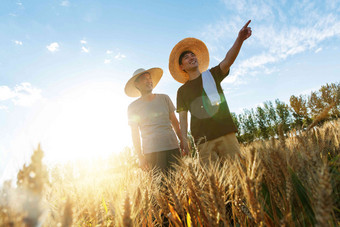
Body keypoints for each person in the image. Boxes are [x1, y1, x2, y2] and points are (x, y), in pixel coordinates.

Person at [168, 20, 252, 164]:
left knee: (239, 173)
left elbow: (228, 60)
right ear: (182, 67)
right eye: (186, 58)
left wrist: (240, 39)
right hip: (202, 141)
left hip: (225, 133)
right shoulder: (182, 91)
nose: (191, 58)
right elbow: (183, 118)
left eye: (192, 55)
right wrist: (184, 141)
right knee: (213, 183)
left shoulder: (212, 74)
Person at [125, 67, 185, 173]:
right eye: (144, 79)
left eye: (149, 78)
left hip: (172, 148)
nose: (149, 81)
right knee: (159, 187)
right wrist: (140, 157)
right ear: (137, 84)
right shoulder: (133, 107)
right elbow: (135, 134)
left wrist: (182, 141)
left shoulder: (164, 98)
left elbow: (175, 123)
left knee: (179, 185)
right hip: (151, 153)